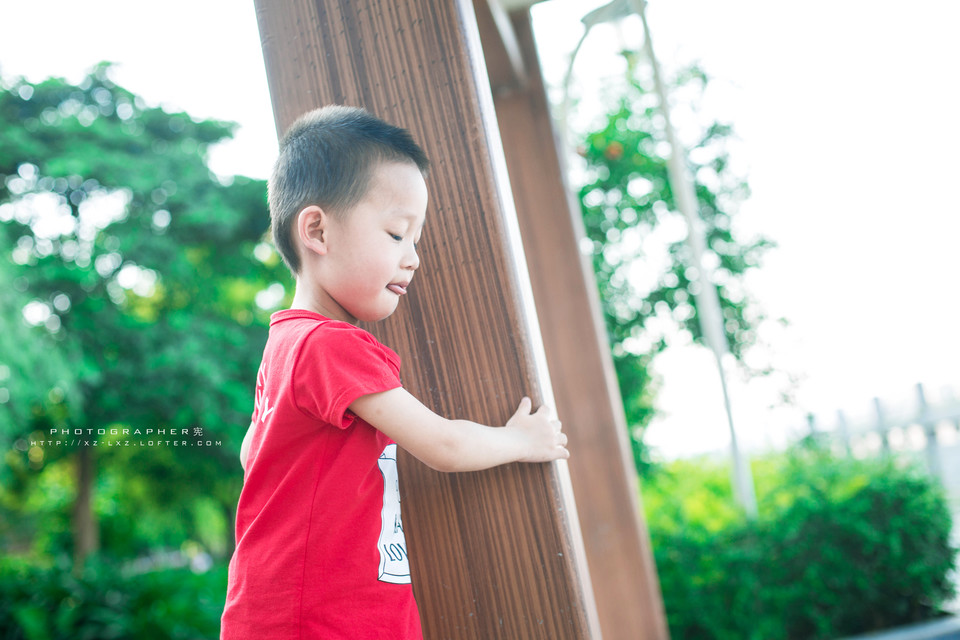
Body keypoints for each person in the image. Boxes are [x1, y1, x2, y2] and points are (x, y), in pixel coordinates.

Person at [220, 105, 569, 639]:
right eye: (396, 234)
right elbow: (445, 446)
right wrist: (521, 440)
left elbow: (252, 453)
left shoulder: (284, 344)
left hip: (284, 613)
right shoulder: (331, 344)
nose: (414, 258)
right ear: (316, 229)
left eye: (415, 239)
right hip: (318, 622)